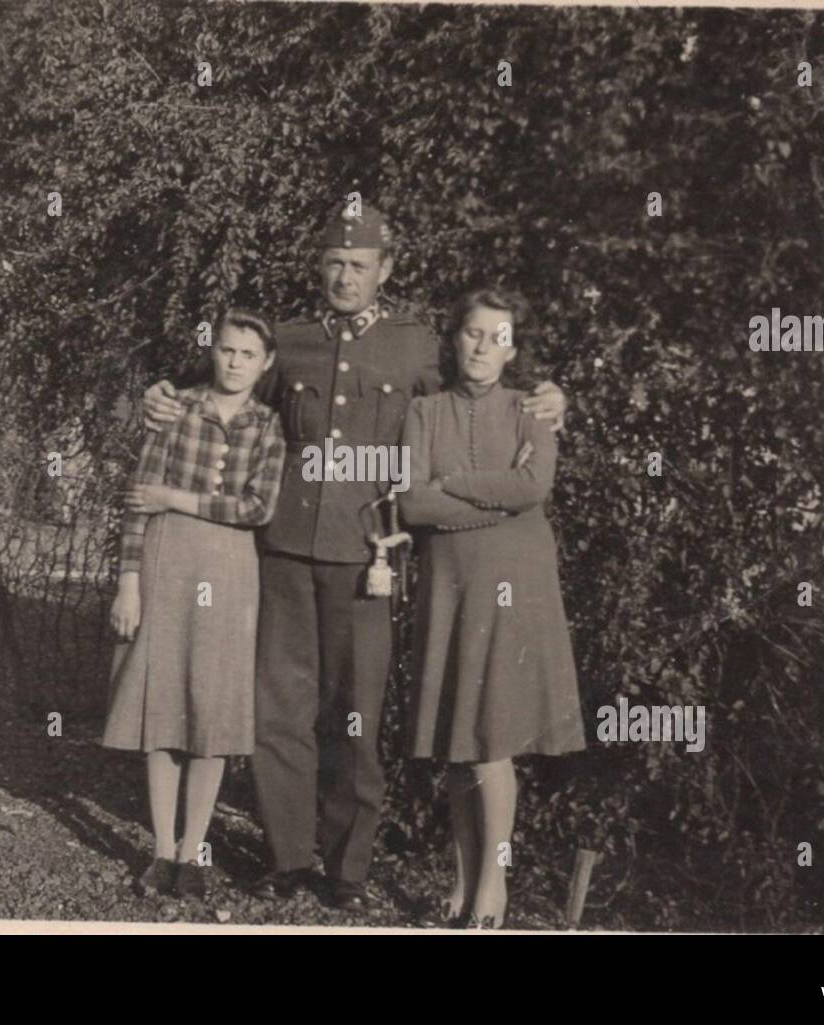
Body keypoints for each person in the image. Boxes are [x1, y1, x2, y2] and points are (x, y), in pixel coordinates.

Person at [141, 204, 568, 912]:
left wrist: (552, 398)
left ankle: (348, 866)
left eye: (360, 266)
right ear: (321, 266)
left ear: (385, 270)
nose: (345, 276)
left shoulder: (416, 347)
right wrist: (164, 397)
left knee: (355, 714)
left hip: (366, 550)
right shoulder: (292, 340)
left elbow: (477, 391)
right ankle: (288, 856)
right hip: (282, 543)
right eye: (335, 263)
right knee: (280, 709)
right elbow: (229, 388)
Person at [399, 286, 587, 929]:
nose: (483, 347)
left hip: (515, 583)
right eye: (473, 333)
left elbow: (533, 488)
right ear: (456, 339)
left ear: (512, 351)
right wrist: (488, 498)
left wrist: (450, 485)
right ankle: (460, 883)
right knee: (457, 742)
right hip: (449, 584)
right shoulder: (425, 412)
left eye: (497, 337)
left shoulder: (532, 408)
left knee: (492, 740)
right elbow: (411, 506)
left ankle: (493, 889)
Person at [103, 308, 286, 900]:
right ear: (215, 352)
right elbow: (137, 502)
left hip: (231, 572)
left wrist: (174, 498)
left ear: (266, 364)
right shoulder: (174, 406)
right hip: (166, 563)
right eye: (227, 350)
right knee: (162, 708)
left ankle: (192, 852)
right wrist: (128, 581)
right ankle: (160, 849)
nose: (235, 362)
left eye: (247, 355)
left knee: (212, 711)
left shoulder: (267, 424)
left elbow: (257, 508)